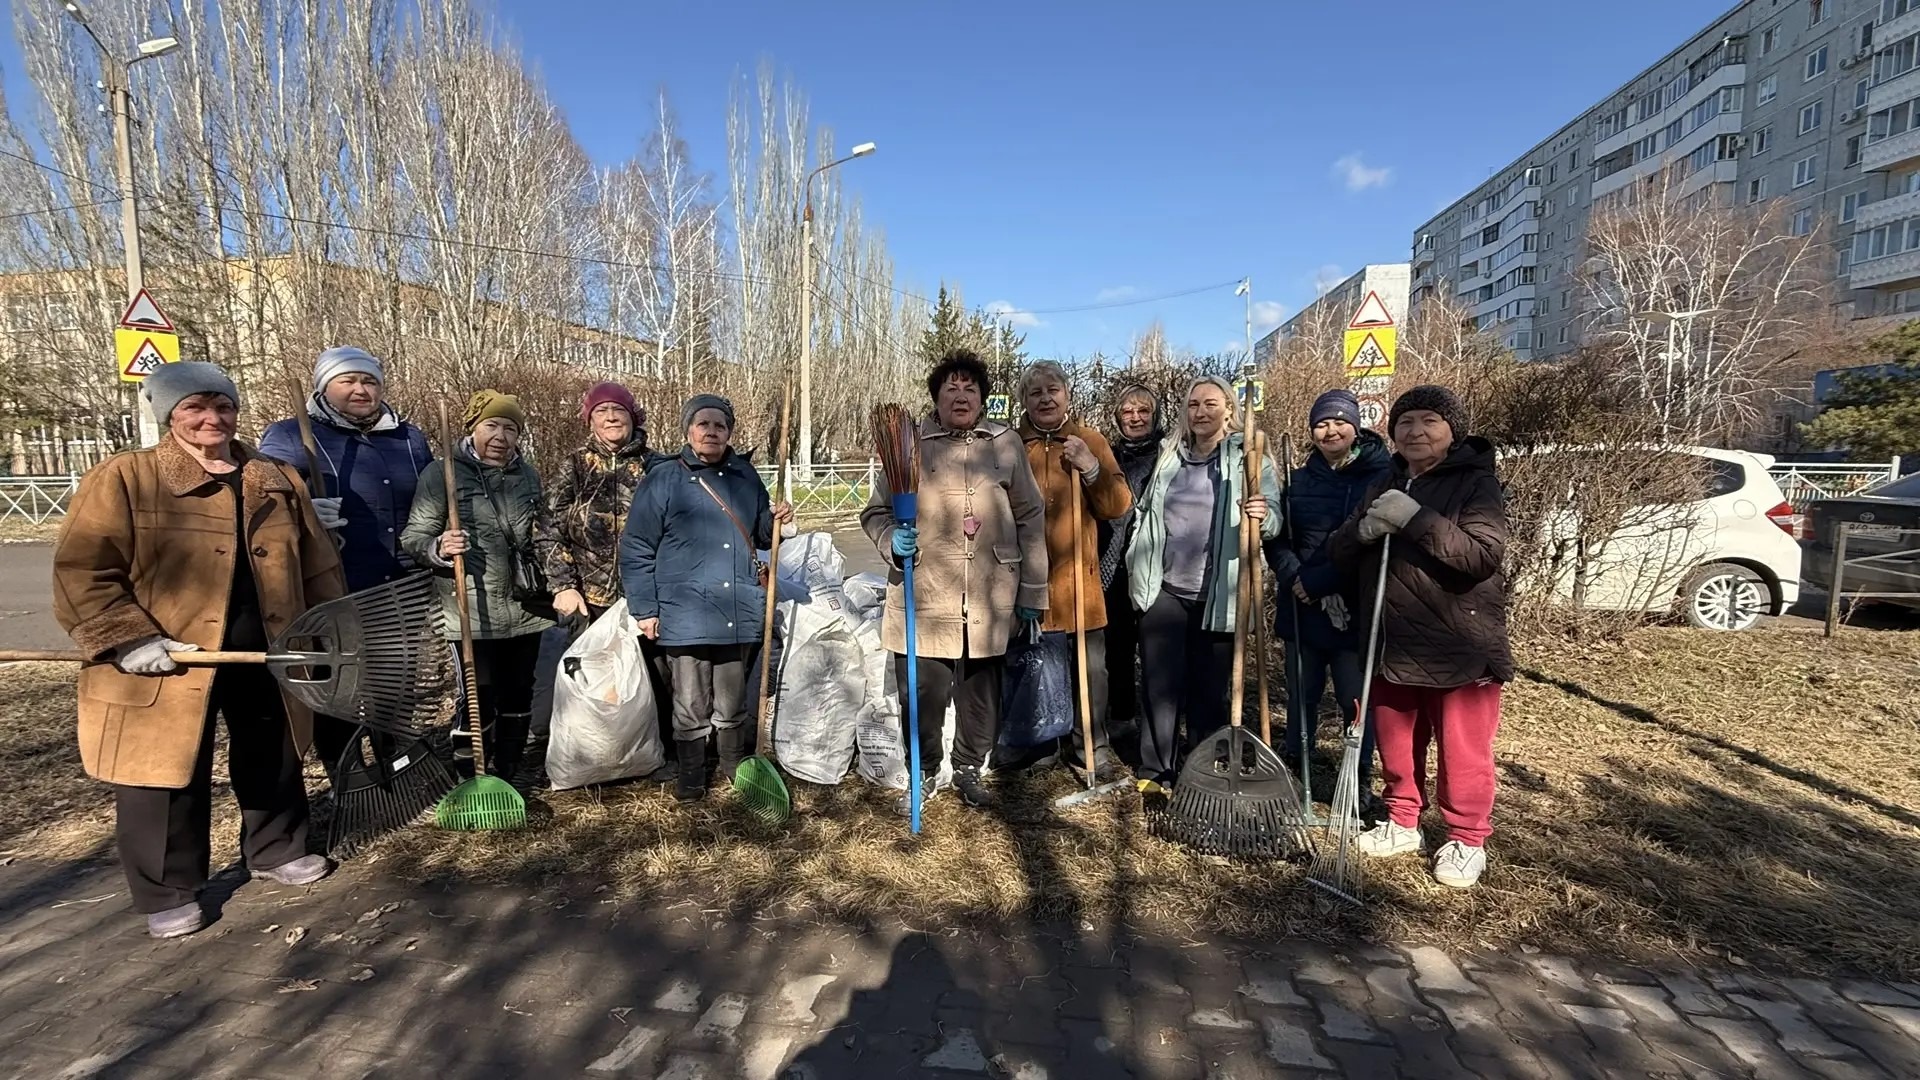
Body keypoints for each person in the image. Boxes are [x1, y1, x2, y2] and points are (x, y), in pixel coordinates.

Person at [52, 362, 345, 938]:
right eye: (194, 408)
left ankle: (276, 848)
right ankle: (167, 888)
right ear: (169, 415)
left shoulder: (275, 476)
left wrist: (326, 634)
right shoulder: (127, 478)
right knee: (161, 768)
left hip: (268, 646)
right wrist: (127, 638)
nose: (212, 418)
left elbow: (319, 567)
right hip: (166, 654)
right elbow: (83, 569)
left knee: (275, 748)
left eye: (223, 407)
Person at [1328, 385, 1510, 889]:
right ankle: (1402, 820)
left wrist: (1414, 520)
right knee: (1397, 743)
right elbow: (1340, 545)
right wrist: (1361, 533)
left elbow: (1480, 556)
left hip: (1458, 643)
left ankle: (1465, 837)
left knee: (1462, 750)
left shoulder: (1476, 484)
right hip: (1390, 642)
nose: (1415, 431)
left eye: (1429, 421)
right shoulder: (1387, 480)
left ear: (1453, 431)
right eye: (1405, 423)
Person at [861, 350, 1048, 814]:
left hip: (991, 590)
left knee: (981, 690)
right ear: (936, 398)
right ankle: (923, 771)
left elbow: (1030, 515)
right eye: (951, 388)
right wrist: (890, 539)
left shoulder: (1006, 444)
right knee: (922, 692)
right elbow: (875, 510)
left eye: (970, 388)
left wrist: (1032, 591)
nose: (961, 396)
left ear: (983, 398)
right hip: (925, 589)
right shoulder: (909, 445)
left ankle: (968, 767)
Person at [258, 346, 432, 772]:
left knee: (395, 679)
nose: (361, 389)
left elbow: (430, 500)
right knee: (337, 680)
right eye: (348, 381)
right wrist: (301, 513)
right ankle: (345, 769)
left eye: (369, 381)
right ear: (324, 387)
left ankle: (394, 762)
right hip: (330, 582)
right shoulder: (291, 436)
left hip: (398, 582)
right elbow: (260, 501)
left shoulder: (408, 439)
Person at [619, 393, 792, 801]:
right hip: (686, 612)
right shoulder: (664, 479)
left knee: (732, 701)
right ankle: (692, 775)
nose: (712, 431)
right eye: (703, 424)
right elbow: (637, 546)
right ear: (688, 430)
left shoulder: (744, 476)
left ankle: (734, 769)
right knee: (690, 702)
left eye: (720, 425)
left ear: (729, 432)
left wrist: (778, 519)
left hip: (737, 609)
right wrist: (645, 609)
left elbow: (764, 536)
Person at [1124, 375, 1281, 792]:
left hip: (1221, 592)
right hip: (1165, 588)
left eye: (1211, 404)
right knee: (1159, 686)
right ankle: (1156, 771)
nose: (1201, 411)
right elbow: (1148, 511)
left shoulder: (1248, 457)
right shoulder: (1168, 455)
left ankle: (1203, 774)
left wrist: (1264, 514)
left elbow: (1276, 519)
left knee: (1209, 692)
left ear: (1229, 409)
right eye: (1193, 404)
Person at [400, 389, 556, 786]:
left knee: (519, 691)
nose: (500, 436)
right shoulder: (443, 473)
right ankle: (473, 774)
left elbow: (540, 534)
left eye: (510, 428)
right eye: (491, 425)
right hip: (469, 607)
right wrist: (438, 546)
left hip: (525, 607)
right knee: (477, 696)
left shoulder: (527, 474)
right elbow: (413, 536)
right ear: (474, 428)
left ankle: (510, 769)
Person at [1264, 388, 1392, 802]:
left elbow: (1372, 546)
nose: (1330, 430)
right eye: (1321, 423)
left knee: (1355, 698)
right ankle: (1296, 763)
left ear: (1356, 427)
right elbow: (1277, 539)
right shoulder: (1299, 480)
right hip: (1302, 605)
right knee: (1301, 693)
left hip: (1354, 608)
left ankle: (1358, 778)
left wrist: (1324, 583)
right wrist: (1295, 578)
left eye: (1339, 422)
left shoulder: (1381, 477)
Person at [528, 381, 657, 785]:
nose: (611, 417)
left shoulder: (657, 466)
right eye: (601, 412)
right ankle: (596, 756)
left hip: (646, 593)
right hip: (590, 594)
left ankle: (648, 754)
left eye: (619, 411)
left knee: (650, 677)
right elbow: (547, 529)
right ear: (590, 420)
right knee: (594, 677)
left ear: (633, 417)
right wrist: (563, 584)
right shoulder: (575, 466)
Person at [1016, 361, 1132, 780]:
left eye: (1052, 390)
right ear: (1023, 401)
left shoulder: (1089, 440)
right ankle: (1044, 741)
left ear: (1067, 395)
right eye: (1035, 393)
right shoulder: (1014, 446)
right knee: (1035, 664)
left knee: (1090, 669)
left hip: (1078, 581)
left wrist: (1091, 466)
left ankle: (1091, 744)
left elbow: (1118, 504)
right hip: (1030, 581)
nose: (1045, 399)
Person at [1096, 383, 1165, 753]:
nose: (1135, 418)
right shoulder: (1109, 455)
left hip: (1155, 565)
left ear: (1155, 416)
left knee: (1155, 651)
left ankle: (1159, 729)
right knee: (1116, 647)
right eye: (1127, 411)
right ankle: (1121, 718)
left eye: (1143, 411)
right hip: (1114, 563)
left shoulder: (1168, 456)